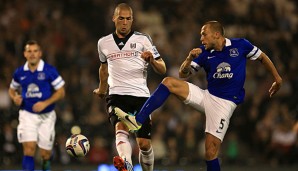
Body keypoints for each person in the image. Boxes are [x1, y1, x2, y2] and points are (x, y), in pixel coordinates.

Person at [115, 21, 282, 170]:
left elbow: (262, 57)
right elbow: (182, 74)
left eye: (204, 34)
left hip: (224, 104)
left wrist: (277, 78)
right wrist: (188, 58)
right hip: (207, 96)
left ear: (217, 34)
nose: (201, 38)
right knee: (168, 82)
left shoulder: (241, 45)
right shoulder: (203, 52)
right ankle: (137, 120)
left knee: (210, 153)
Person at [93, 3, 166, 171]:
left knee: (144, 144)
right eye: (121, 18)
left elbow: (162, 68)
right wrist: (102, 89)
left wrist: (152, 61)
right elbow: (103, 68)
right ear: (114, 18)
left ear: (132, 20)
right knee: (120, 126)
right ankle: (126, 163)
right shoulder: (103, 43)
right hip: (117, 94)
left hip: (140, 96)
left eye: (128, 19)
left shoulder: (143, 39)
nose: (124, 22)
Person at [8, 40, 65, 171]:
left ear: (40, 53)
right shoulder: (20, 72)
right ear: (25, 54)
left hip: (47, 115)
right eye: (29, 51)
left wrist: (45, 103)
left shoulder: (49, 70)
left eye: (35, 51)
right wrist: (15, 97)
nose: (32, 54)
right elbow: (11, 89)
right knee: (29, 149)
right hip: (27, 114)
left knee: (45, 154)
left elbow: (61, 92)